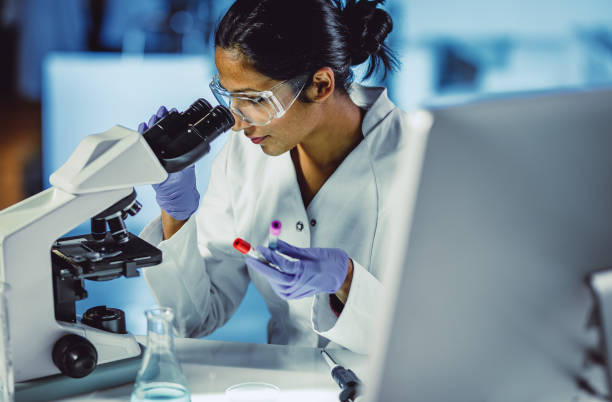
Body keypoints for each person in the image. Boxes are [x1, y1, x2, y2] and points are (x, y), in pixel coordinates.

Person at [138, 0, 410, 354]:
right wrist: (176, 213)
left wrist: (346, 280)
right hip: (288, 382)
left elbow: (440, 332)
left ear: (320, 84)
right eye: (231, 97)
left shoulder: (418, 159)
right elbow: (193, 318)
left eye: (254, 99)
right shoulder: (243, 155)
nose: (237, 120)